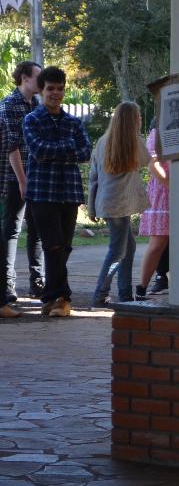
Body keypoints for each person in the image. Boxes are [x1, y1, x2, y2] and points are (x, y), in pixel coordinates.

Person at [20, 66, 91, 317]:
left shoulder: (74, 122)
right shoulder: (31, 120)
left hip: (69, 192)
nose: (56, 93)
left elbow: (86, 153)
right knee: (52, 246)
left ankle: (52, 297)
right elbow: (39, 151)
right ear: (42, 90)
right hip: (42, 192)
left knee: (65, 247)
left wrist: (57, 149)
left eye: (60, 89)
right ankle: (62, 298)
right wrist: (68, 146)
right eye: (51, 88)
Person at [87, 101, 148, 308]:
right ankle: (100, 294)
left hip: (107, 203)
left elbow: (93, 177)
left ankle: (125, 294)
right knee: (117, 252)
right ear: (134, 120)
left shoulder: (103, 141)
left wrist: (92, 206)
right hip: (121, 205)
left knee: (128, 248)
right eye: (138, 117)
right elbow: (146, 160)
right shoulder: (134, 142)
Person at [1, 60, 45, 305]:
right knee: (12, 230)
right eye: (38, 77)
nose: (43, 82)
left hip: (36, 176)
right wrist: (22, 181)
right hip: (13, 177)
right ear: (25, 78)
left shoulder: (37, 104)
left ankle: (38, 282)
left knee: (37, 229)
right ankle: (7, 284)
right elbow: (12, 146)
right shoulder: (9, 105)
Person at [135, 128, 170, 300]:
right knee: (157, 244)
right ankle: (141, 288)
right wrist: (171, 184)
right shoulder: (157, 133)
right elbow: (152, 163)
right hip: (164, 191)